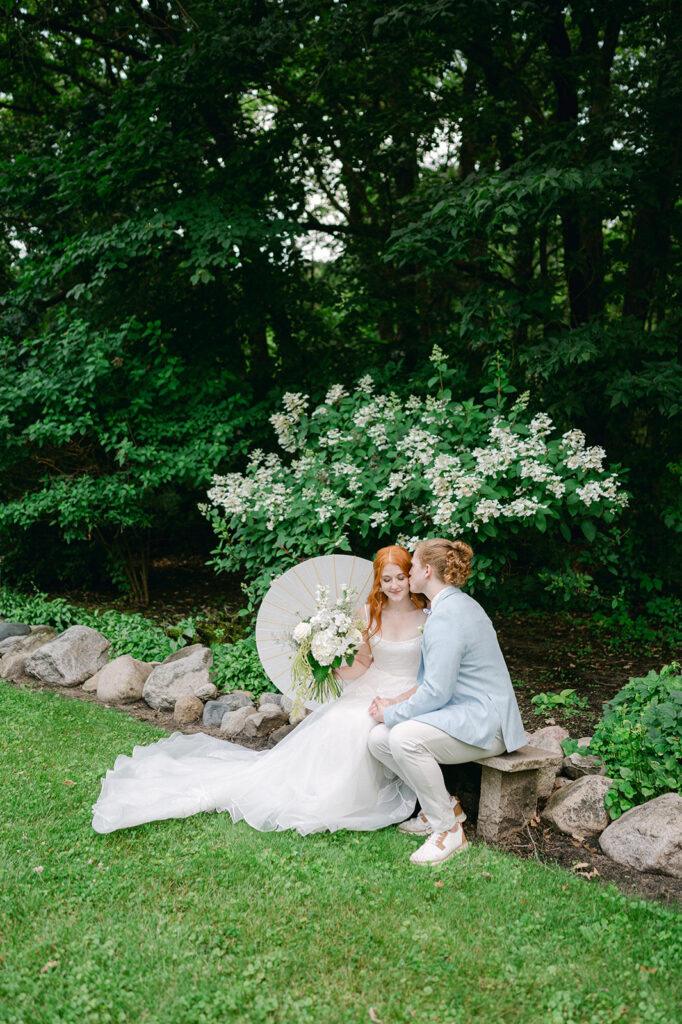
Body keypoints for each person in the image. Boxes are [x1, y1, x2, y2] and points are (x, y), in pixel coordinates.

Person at [92, 545, 429, 835]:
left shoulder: (428, 615)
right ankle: (318, 791)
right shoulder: (369, 612)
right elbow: (362, 665)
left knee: (357, 724)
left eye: (400, 577)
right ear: (378, 581)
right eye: (387, 579)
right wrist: (331, 658)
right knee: (339, 719)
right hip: (372, 686)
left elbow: (434, 672)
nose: (394, 585)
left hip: (411, 688)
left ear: (410, 576)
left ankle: (351, 794)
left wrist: (400, 698)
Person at [368, 538, 526, 866]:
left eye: (410, 567)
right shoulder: (451, 605)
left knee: (402, 736)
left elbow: (436, 693)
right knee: (378, 740)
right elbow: (434, 683)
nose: (407, 573)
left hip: (488, 723)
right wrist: (393, 704)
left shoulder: (447, 615)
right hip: (465, 713)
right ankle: (444, 807)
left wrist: (393, 713)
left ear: (426, 570)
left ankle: (448, 831)